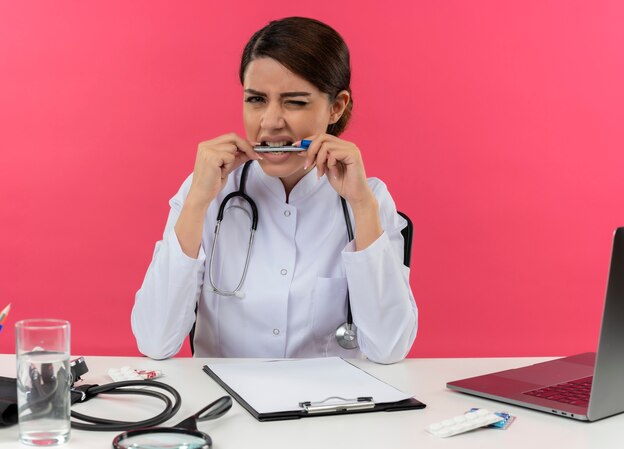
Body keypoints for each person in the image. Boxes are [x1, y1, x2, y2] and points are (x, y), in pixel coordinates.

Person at [131, 17, 417, 364]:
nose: (270, 121)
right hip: (224, 405)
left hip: (329, 407)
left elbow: (389, 349)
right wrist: (195, 204)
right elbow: (154, 341)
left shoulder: (367, 199)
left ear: (336, 107)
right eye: (256, 99)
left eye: (294, 102)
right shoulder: (209, 193)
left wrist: (362, 206)